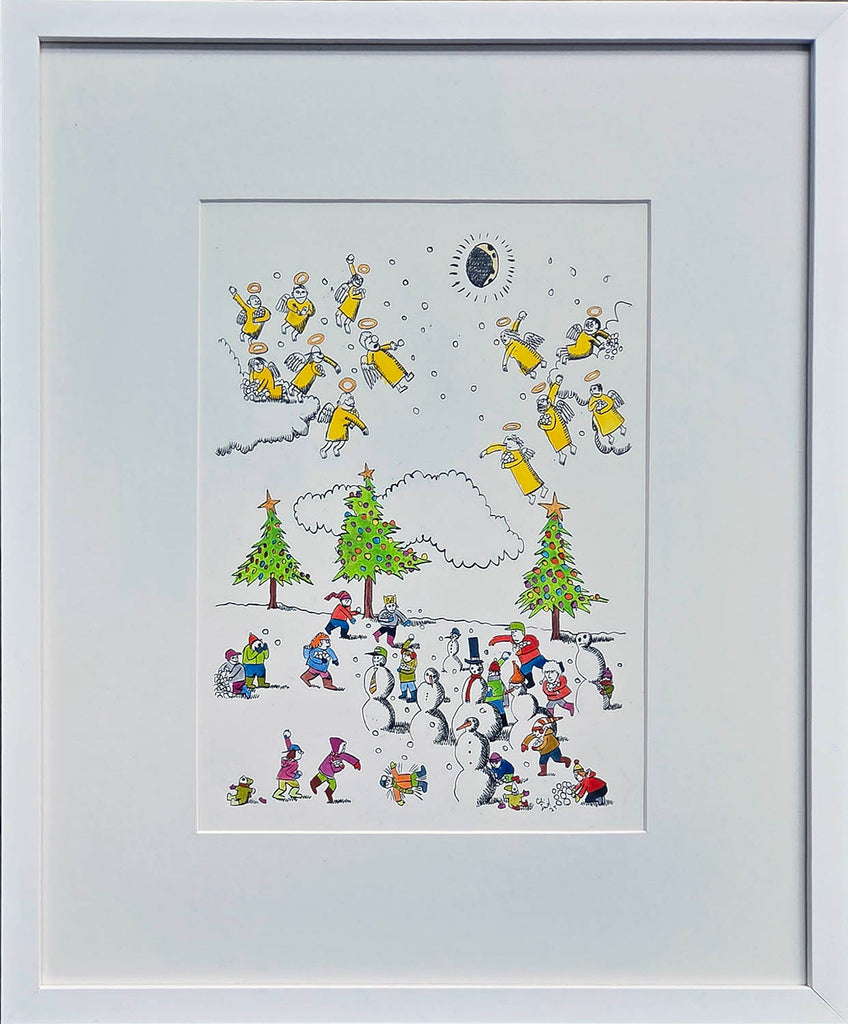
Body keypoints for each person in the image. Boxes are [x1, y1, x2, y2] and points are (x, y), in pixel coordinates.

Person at [489, 622, 546, 686]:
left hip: (536, 657)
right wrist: (494, 641)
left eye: (516, 632)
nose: (514, 635)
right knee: (524, 670)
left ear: (523, 633)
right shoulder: (513, 640)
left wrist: (522, 651)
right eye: (512, 633)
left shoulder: (529, 638)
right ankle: (531, 682)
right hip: (525, 662)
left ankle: (555, 667)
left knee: (545, 665)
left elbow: (535, 644)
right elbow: (504, 637)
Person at [309, 737, 361, 803]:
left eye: (344, 747)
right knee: (323, 780)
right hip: (325, 772)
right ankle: (314, 784)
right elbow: (334, 769)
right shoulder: (332, 757)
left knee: (332, 784)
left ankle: (328, 792)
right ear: (337, 748)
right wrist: (340, 767)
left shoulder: (340, 755)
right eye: (342, 747)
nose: (344, 748)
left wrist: (356, 763)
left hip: (330, 774)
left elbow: (348, 757)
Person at [273, 730, 304, 800]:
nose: (301, 754)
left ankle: (276, 794)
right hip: (288, 777)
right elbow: (288, 772)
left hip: (281, 776)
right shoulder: (293, 764)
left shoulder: (288, 761)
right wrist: (296, 775)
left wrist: (287, 738)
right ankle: (292, 793)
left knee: (282, 788)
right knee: (296, 786)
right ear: (294, 754)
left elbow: (289, 747)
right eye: (299, 752)